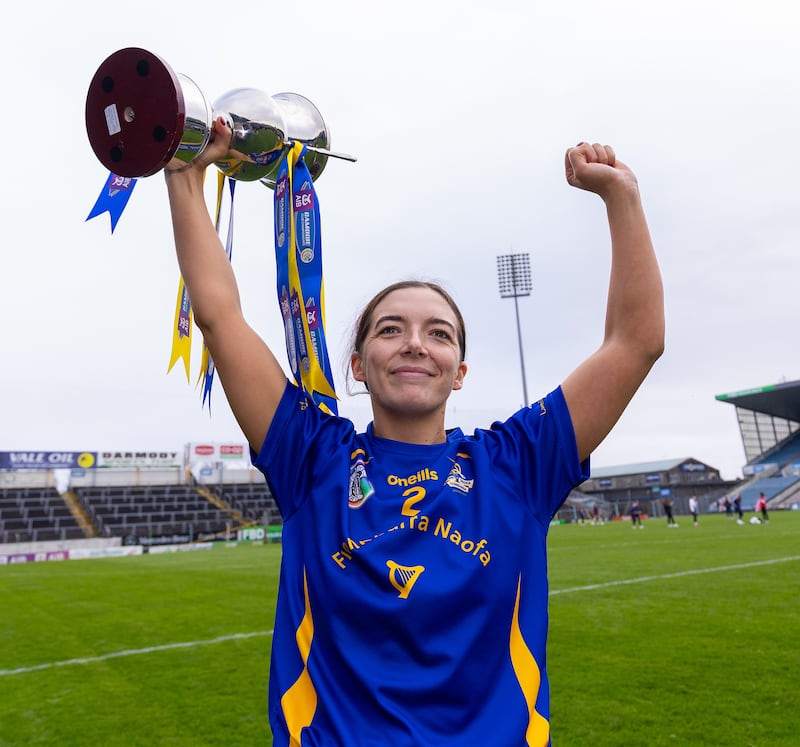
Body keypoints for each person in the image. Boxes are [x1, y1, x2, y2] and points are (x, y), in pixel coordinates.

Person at [162, 122, 664, 746]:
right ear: (357, 363)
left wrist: (623, 197)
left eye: (439, 334)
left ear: (459, 372)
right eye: (391, 329)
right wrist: (184, 173)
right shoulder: (313, 458)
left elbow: (635, 343)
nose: (415, 346)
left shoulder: (517, 466)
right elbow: (219, 316)